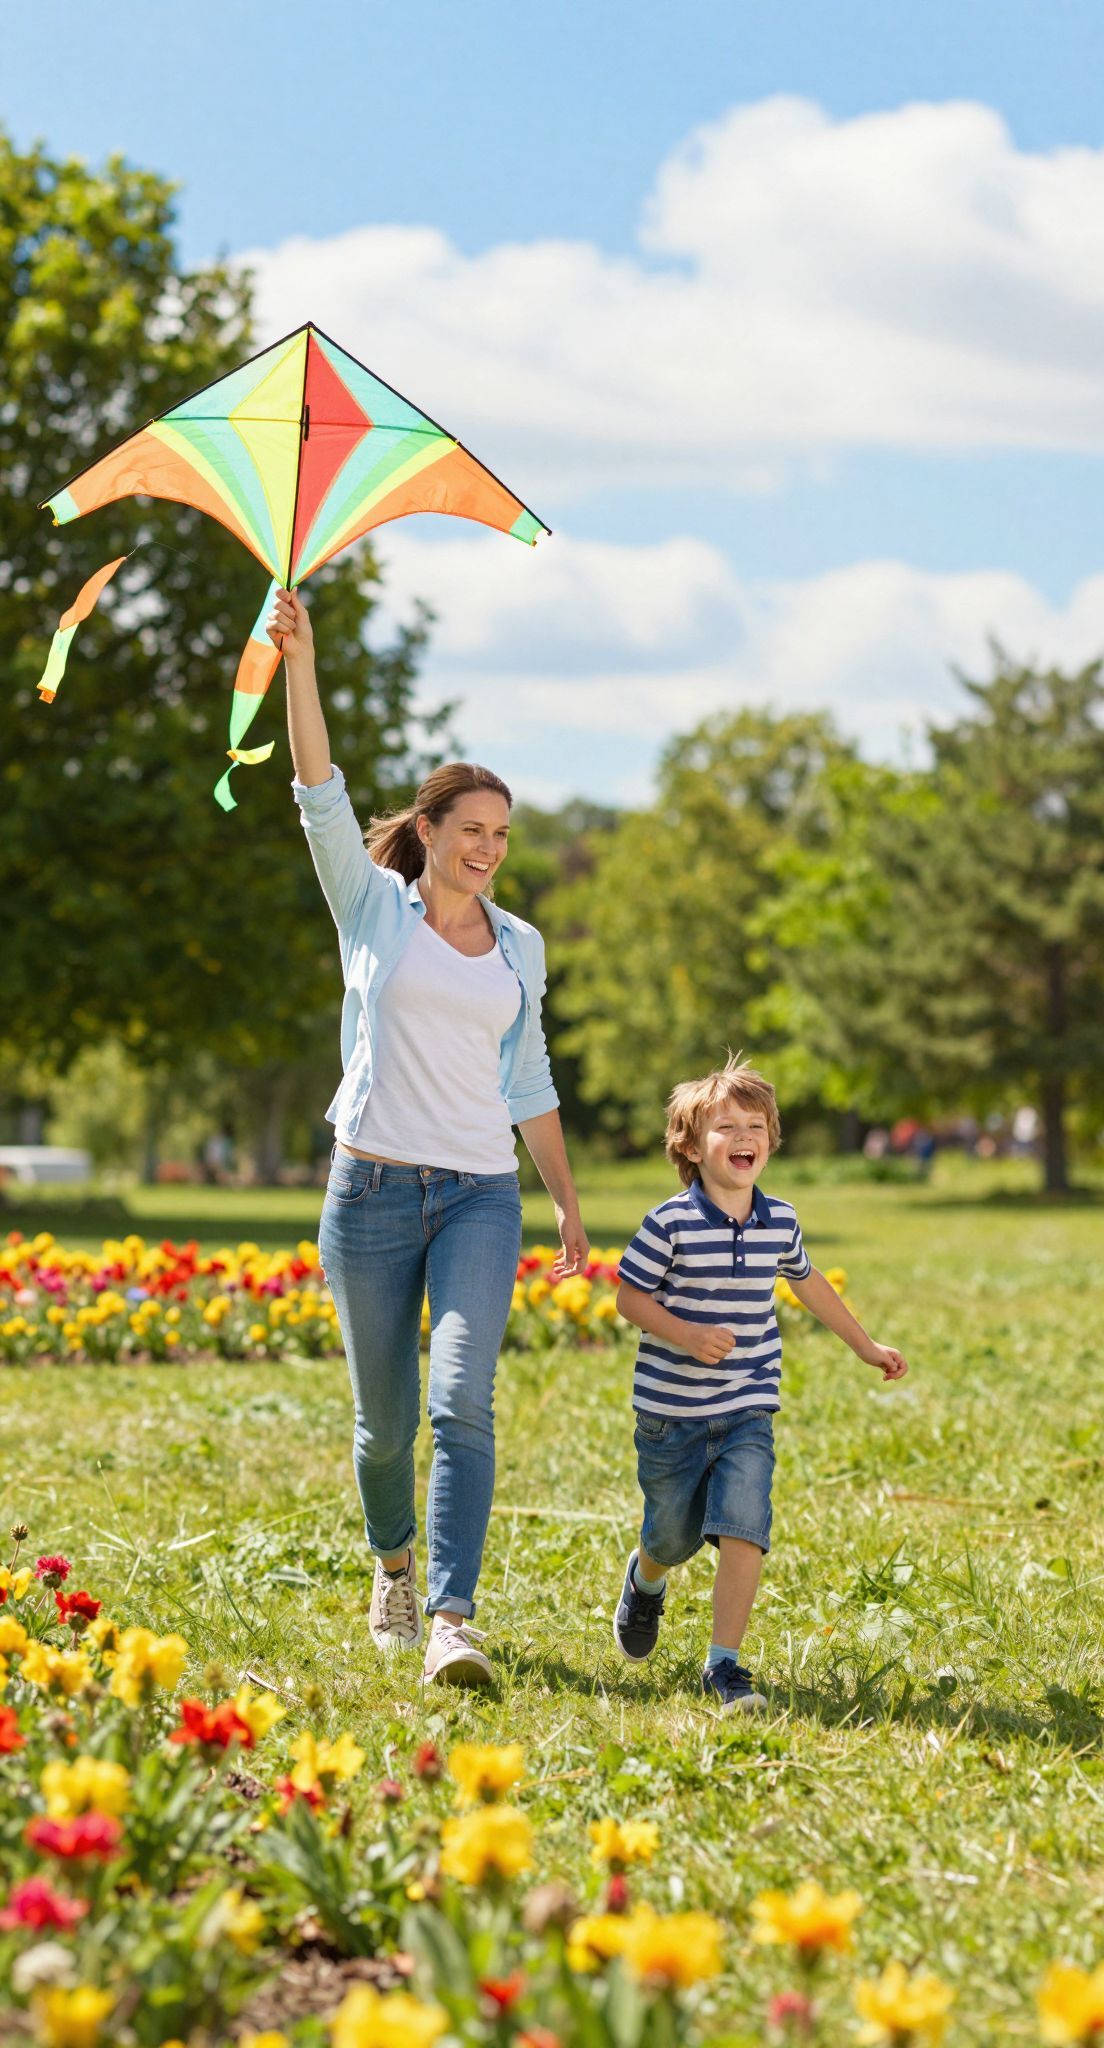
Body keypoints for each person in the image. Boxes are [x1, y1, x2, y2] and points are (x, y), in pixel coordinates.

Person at [271, 587, 588, 1689]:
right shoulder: (375, 909)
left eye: (503, 835)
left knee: (463, 1396)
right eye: (473, 832)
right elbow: (319, 789)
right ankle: (393, 1566)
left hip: (476, 1196)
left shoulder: (520, 947)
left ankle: (451, 1615)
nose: (489, 851)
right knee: (385, 1426)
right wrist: (296, 662)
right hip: (367, 1191)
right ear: (433, 831)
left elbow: (529, 1076)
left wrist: (564, 1198)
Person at [612, 1057, 909, 1713]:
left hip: (747, 1407)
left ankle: (725, 1667)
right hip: (672, 1415)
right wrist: (686, 1334)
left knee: (745, 1526)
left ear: (771, 1141)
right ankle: (647, 1579)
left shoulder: (781, 1221)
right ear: (690, 1147)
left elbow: (808, 1285)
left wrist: (865, 1346)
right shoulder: (670, 1223)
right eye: (725, 1127)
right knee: (671, 1536)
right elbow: (630, 1299)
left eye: (755, 1125)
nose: (744, 1136)